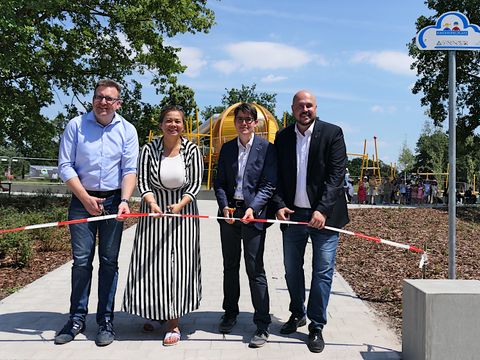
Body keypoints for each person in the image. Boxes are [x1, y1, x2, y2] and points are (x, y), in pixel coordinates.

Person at [56, 79, 139, 346]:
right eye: (99, 97)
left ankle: (105, 320)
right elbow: (65, 166)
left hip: (115, 202)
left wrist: (125, 199)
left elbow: (129, 170)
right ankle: (77, 318)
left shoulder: (127, 130)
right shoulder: (76, 126)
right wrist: (85, 197)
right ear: (93, 99)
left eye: (109, 99)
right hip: (82, 201)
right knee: (81, 262)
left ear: (118, 103)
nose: (103, 102)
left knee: (109, 262)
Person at [272, 90, 349, 353]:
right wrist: (280, 205)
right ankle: (297, 313)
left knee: (322, 272)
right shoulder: (282, 137)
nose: (305, 110)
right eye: (300, 106)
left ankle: (316, 325)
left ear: (316, 108)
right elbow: (277, 177)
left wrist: (323, 210)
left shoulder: (332, 133)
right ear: (292, 109)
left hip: (324, 218)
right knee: (292, 269)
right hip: (294, 217)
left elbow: (336, 175)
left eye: (310, 106)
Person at [122, 105, 204, 346]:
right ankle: (154, 312)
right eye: (168, 120)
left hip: (184, 213)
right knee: (153, 266)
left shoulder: (191, 150)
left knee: (178, 267)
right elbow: (144, 179)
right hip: (153, 212)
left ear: (183, 125)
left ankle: (174, 322)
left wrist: (180, 205)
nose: (173, 125)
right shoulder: (149, 149)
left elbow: (196, 182)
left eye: (178, 121)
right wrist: (151, 202)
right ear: (161, 124)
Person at [213, 103, 277, 348]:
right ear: (235, 121)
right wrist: (223, 206)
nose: (244, 123)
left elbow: (269, 185)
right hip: (229, 214)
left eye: (249, 119)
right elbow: (219, 182)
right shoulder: (227, 148)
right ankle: (230, 313)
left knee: (255, 269)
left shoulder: (266, 149)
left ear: (256, 122)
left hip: (253, 214)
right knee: (230, 267)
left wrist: (254, 208)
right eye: (240, 119)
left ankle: (262, 323)